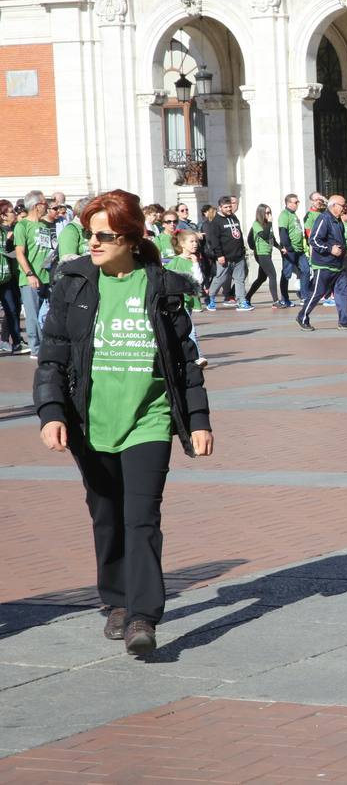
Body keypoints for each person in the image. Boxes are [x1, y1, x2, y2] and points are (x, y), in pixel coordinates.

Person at [33, 189, 212, 656]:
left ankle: (143, 615)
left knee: (141, 518)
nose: (92, 244)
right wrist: (51, 412)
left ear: (132, 239)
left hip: (148, 420)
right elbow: (52, 357)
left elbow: (185, 362)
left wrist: (197, 420)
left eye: (104, 236)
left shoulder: (162, 286)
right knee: (106, 514)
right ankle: (115, 600)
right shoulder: (73, 284)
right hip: (90, 421)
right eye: (90, 234)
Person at [296, 194, 347, 331]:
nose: (345, 208)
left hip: (338, 265)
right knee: (317, 293)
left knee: (343, 292)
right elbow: (314, 240)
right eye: (343, 205)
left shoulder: (338, 221)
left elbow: (340, 241)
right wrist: (330, 249)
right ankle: (302, 317)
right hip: (323, 265)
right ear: (334, 206)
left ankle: (344, 321)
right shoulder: (323, 219)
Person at [14, 190, 58, 357]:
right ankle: (36, 348)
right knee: (33, 314)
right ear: (35, 206)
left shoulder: (45, 225)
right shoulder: (22, 226)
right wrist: (30, 274)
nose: (46, 206)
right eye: (44, 204)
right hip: (31, 278)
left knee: (48, 314)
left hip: (48, 276)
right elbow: (20, 253)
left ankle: (47, 344)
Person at [164, 229, 208, 368]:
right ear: (182, 244)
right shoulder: (176, 261)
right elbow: (166, 277)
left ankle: (183, 356)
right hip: (177, 302)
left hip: (188, 301)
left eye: (196, 241)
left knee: (185, 329)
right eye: (192, 241)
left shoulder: (194, 260)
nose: (195, 244)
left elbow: (198, 280)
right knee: (190, 328)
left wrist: (195, 263)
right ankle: (198, 356)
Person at [204, 196, 251, 312]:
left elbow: (238, 234)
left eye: (230, 206)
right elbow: (214, 240)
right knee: (220, 278)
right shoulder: (216, 221)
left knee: (239, 279)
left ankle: (241, 301)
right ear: (220, 207)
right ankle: (210, 296)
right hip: (225, 257)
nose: (229, 209)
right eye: (226, 207)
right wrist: (219, 255)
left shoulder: (234, 217)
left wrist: (242, 250)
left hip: (238, 256)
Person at [246, 204, 281, 308]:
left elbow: (271, 238)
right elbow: (265, 236)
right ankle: (275, 301)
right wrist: (270, 223)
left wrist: (279, 247)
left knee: (261, 278)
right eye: (267, 213)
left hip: (267, 253)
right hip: (261, 254)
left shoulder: (268, 224)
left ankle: (247, 298)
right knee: (272, 275)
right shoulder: (256, 224)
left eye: (270, 212)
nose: (269, 215)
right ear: (261, 213)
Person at [0, 200, 23, 353]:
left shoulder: (13, 229)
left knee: (12, 309)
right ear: (3, 215)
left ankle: (16, 342)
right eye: (11, 211)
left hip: (7, 277)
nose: (14, 214)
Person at [276, 193, 306, 308]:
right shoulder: (284, 215)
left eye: (298, 202)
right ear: (288, 203)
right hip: (290, 250)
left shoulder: (294, 215)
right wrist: (287, 248)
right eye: (296, 202)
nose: (298, 204)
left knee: (306, 270)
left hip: (300, 249)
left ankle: (304, 295)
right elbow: (282, 232)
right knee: (286, 274)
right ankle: (284, 299)